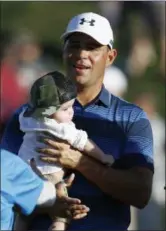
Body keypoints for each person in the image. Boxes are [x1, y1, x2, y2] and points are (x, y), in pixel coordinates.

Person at [1, 12, 154, 230]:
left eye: (92, 47)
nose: (81, 53)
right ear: (64, 51)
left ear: (110, 57)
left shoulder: (131, 118)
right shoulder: (27, 114)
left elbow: (141, 193)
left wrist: (79, 161)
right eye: (74, 45)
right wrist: (50, 207)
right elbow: (5, 184)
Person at [16, 71, 114, 230]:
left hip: (25, 172)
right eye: (65, 108)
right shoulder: (59, 128)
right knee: (61, 211)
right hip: (49, 175)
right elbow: (83, 142)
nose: (71, 112)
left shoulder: (26, 118)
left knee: (23, 214)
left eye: (71, 106)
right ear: (49, 112)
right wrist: (103, 157)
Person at [0, 148, 90, 231]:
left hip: (33, 192)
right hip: (39, 191)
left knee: (22, 218)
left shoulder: (7, 164)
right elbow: (45, 195)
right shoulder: (8, 166)